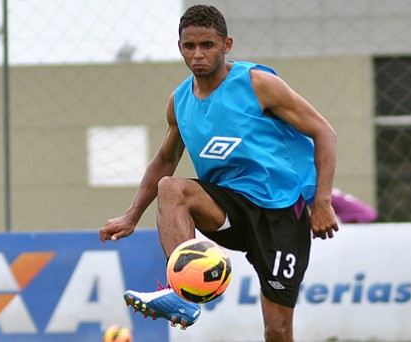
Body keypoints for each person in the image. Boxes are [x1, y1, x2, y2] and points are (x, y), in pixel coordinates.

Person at [99, 4, 337, 341]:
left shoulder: (258, 84)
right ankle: (180, 295)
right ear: (179, 46)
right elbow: (165, 160)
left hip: (280, 212)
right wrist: (131, 215)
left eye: (207, 45)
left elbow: (324, 132)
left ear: (226, 45)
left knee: (277, 329)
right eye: (189, 46)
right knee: (172, 187)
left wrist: (323, 201)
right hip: (230, 207)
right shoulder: (180, 101)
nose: (197, 54)